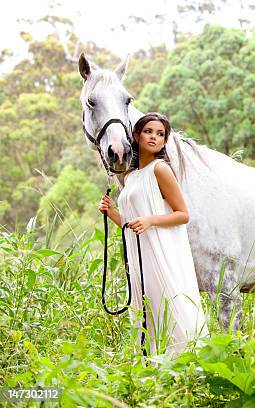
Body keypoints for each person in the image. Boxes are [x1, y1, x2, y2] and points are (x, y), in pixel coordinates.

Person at [98, 112, 208, 359]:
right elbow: (130, 224)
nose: (154, 137)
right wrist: (111, 212)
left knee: (171, 305)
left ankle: (187, 362)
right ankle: (153, 366)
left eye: (160, 134)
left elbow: (182, 214)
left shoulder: (161, 170)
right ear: (136, 136)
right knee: (148, 309)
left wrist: (151, 221)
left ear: (164, 142)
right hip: (140, 256)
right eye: (149, 131)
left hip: (161, 251)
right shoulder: (131, 176)